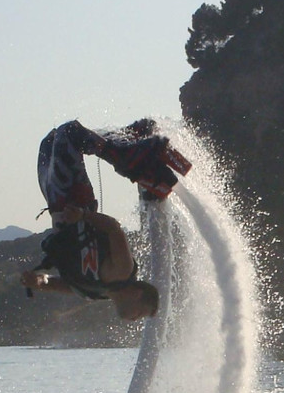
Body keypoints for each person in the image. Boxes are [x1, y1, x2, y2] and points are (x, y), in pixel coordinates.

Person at [21, 119, 190, 321]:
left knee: (50, 141)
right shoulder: (122, 271)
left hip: (55, 203)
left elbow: (61, 285)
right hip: (75, 200)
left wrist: (37, 282)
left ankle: (127, 139)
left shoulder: (97, 293)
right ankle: (123, 154)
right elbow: (113, 228)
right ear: (137, 295)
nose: (135, 319)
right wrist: (83, 215)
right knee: (69, 132)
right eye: (140, 313)